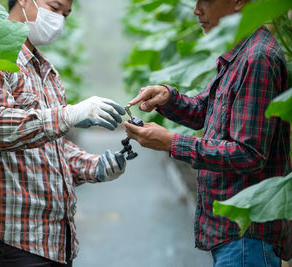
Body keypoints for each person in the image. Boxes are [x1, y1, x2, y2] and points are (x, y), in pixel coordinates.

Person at [0, 0, 127, 266]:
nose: (59, 19)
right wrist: (67, 115)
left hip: (56, 241)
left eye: (65, 14)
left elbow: (50, 147)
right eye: (54, 7)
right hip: (12, 240)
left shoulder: (46, 70)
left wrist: (95, 166)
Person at [124, 0, 292, 266]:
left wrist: (172, 142)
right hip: (234, 235)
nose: (196, 10)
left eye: (207, 0)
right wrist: (168, 98)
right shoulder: (240, 51)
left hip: (247, 238)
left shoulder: (257, 57)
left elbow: (249, 155)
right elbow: (208, 111)